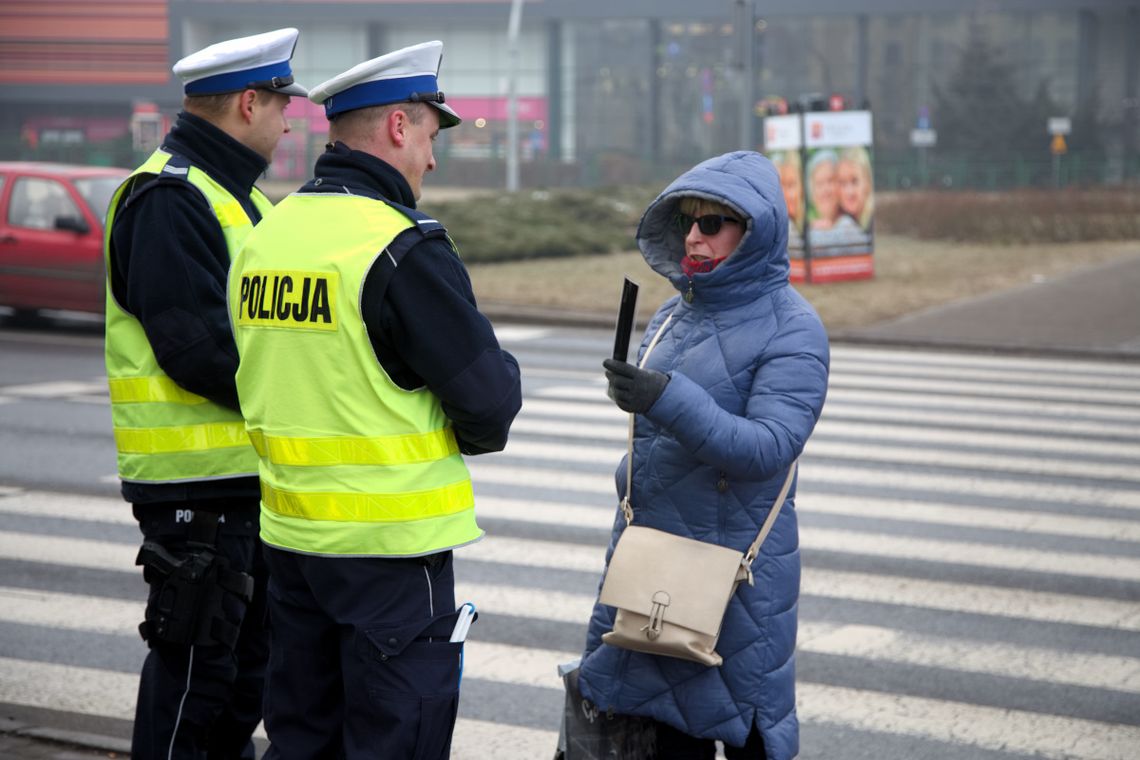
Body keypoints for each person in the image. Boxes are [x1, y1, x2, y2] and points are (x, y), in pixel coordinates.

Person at [226, 40, 522, 760]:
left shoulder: (268, 236)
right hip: (390, 555)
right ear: (397, 126)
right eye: (428, 134)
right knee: (396, 742)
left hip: (292, 543)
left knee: (301, 739)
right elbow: (490, 406)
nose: (432, 157)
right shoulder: (399, 246)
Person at [578, 151, 829, 760]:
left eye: (713, 223)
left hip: (734, 580)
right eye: (689, 220)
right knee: (652, 735)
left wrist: (664, 398)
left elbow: (768, 446)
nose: (694, 235)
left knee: (735, 728)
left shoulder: (794, 328)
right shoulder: (672, 313)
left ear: (756, 232)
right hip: (653, 566)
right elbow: (660, 435)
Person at [102, 28, 306, 760]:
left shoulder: (235, 196)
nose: (290, 125)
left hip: (238, 482)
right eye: (284, 108)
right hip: (196, 488)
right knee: (196, 681)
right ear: (249, 104)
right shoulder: (169, 197)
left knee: (240, 680)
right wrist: (295, 394)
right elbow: (195, 349)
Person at [837, 145, 875, 231]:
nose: (849, 192)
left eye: (855, 181)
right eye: (843, 183)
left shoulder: (874, 221)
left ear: (867, 182)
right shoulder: (841, 221)